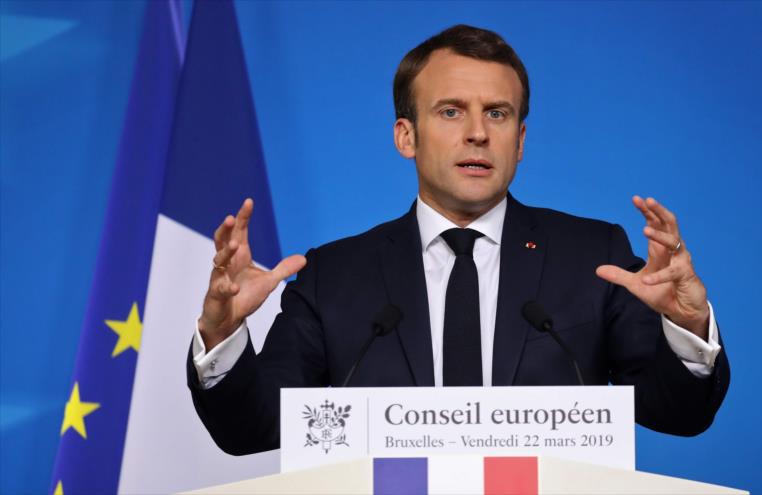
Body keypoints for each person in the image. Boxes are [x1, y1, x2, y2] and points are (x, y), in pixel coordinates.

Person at [187, 25, 729, 455]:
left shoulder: (594, 257)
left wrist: (685, 325)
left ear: (519, 141)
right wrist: (222, 336)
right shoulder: (334, 276)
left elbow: (677, 414)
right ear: (407, 136)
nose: (477, 132)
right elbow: (253, 430)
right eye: (451, 111)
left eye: (498, 113)